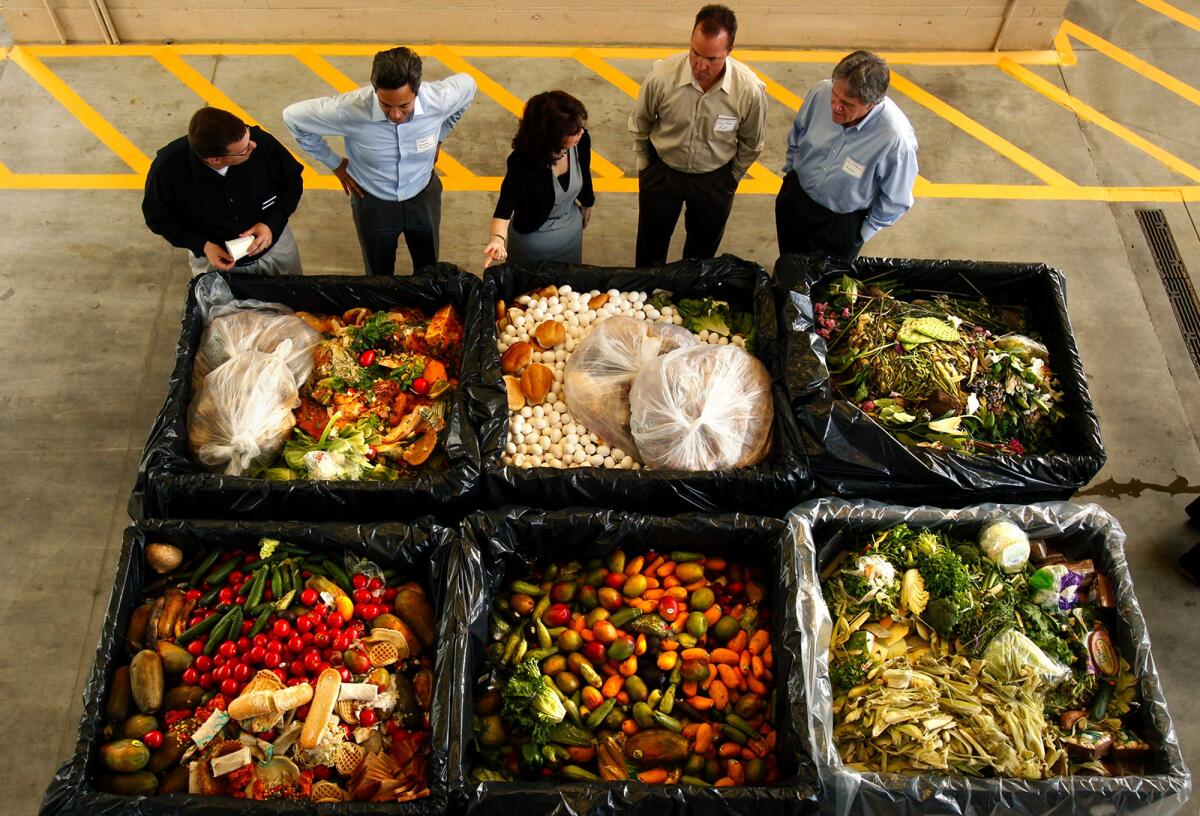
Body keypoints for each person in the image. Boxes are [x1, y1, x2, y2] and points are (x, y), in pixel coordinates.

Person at [283, 46, 476, 276]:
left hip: (423, 196)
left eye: (404, 106)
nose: (395, 115)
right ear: (375, 91)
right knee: (378, 273)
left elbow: (469, 85)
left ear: (417, 91)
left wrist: (440, 136)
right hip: (374, 203)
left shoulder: (439, 99)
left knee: (428, 268)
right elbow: (293, 117)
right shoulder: (348, 110)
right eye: (386, 105)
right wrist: (334, 163)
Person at [628, 4, 767, 268]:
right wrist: (645, 167)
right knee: (650, 247)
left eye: (712, 58)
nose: (700, 65)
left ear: (729, 51)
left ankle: (686, 303)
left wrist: (730, 178)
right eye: (695, 53)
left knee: (701, 257)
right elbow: (640, 123)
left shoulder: (748, 90)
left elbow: (752, 141)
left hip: (714, 179)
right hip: (663, 172)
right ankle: (643, 298)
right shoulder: (661, 77)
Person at [775, 50, 918, 259]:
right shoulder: (820, 92)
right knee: (788, 264)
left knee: (824, 287)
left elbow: (897, 199)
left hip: (839, 226)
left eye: (848, 104)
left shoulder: (894, 139)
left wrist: (861, 233)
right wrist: (790, 173)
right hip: (797, 199)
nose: (836, 106)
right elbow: (798, 132)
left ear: (871, 104)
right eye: (835, 95)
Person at [142, 107, 304, 276]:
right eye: (244, 151)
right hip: (215, 263)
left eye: (249, 137)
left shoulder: (261, 142)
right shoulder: (167, 170)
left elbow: (292, 183)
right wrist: (203, 246)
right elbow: (159, 219)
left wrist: (270, 224)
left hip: (275, 251)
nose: (253, 146)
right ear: (216, 159)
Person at [482, 91, 595, 268]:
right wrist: (497, 239)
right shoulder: (522, 162)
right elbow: (504, 209)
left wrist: (588, 203)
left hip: (571, 236)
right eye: (573, 131)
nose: (581, 132)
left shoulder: (580, 141)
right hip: (533, 245)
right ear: (552, 135)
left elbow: (584, 173)